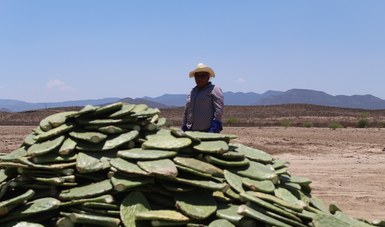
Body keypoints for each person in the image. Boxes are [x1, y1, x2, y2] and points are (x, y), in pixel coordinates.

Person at [182, 63, 224, 133]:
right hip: (190, 131)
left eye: (202, 76)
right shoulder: (193, 92)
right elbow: (186, 111)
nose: (199, 78)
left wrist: (214, 128)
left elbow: (218, 111)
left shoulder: (214, 90)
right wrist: (184, 126)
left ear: (208, 77)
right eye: (197, 76)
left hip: (207, 131)